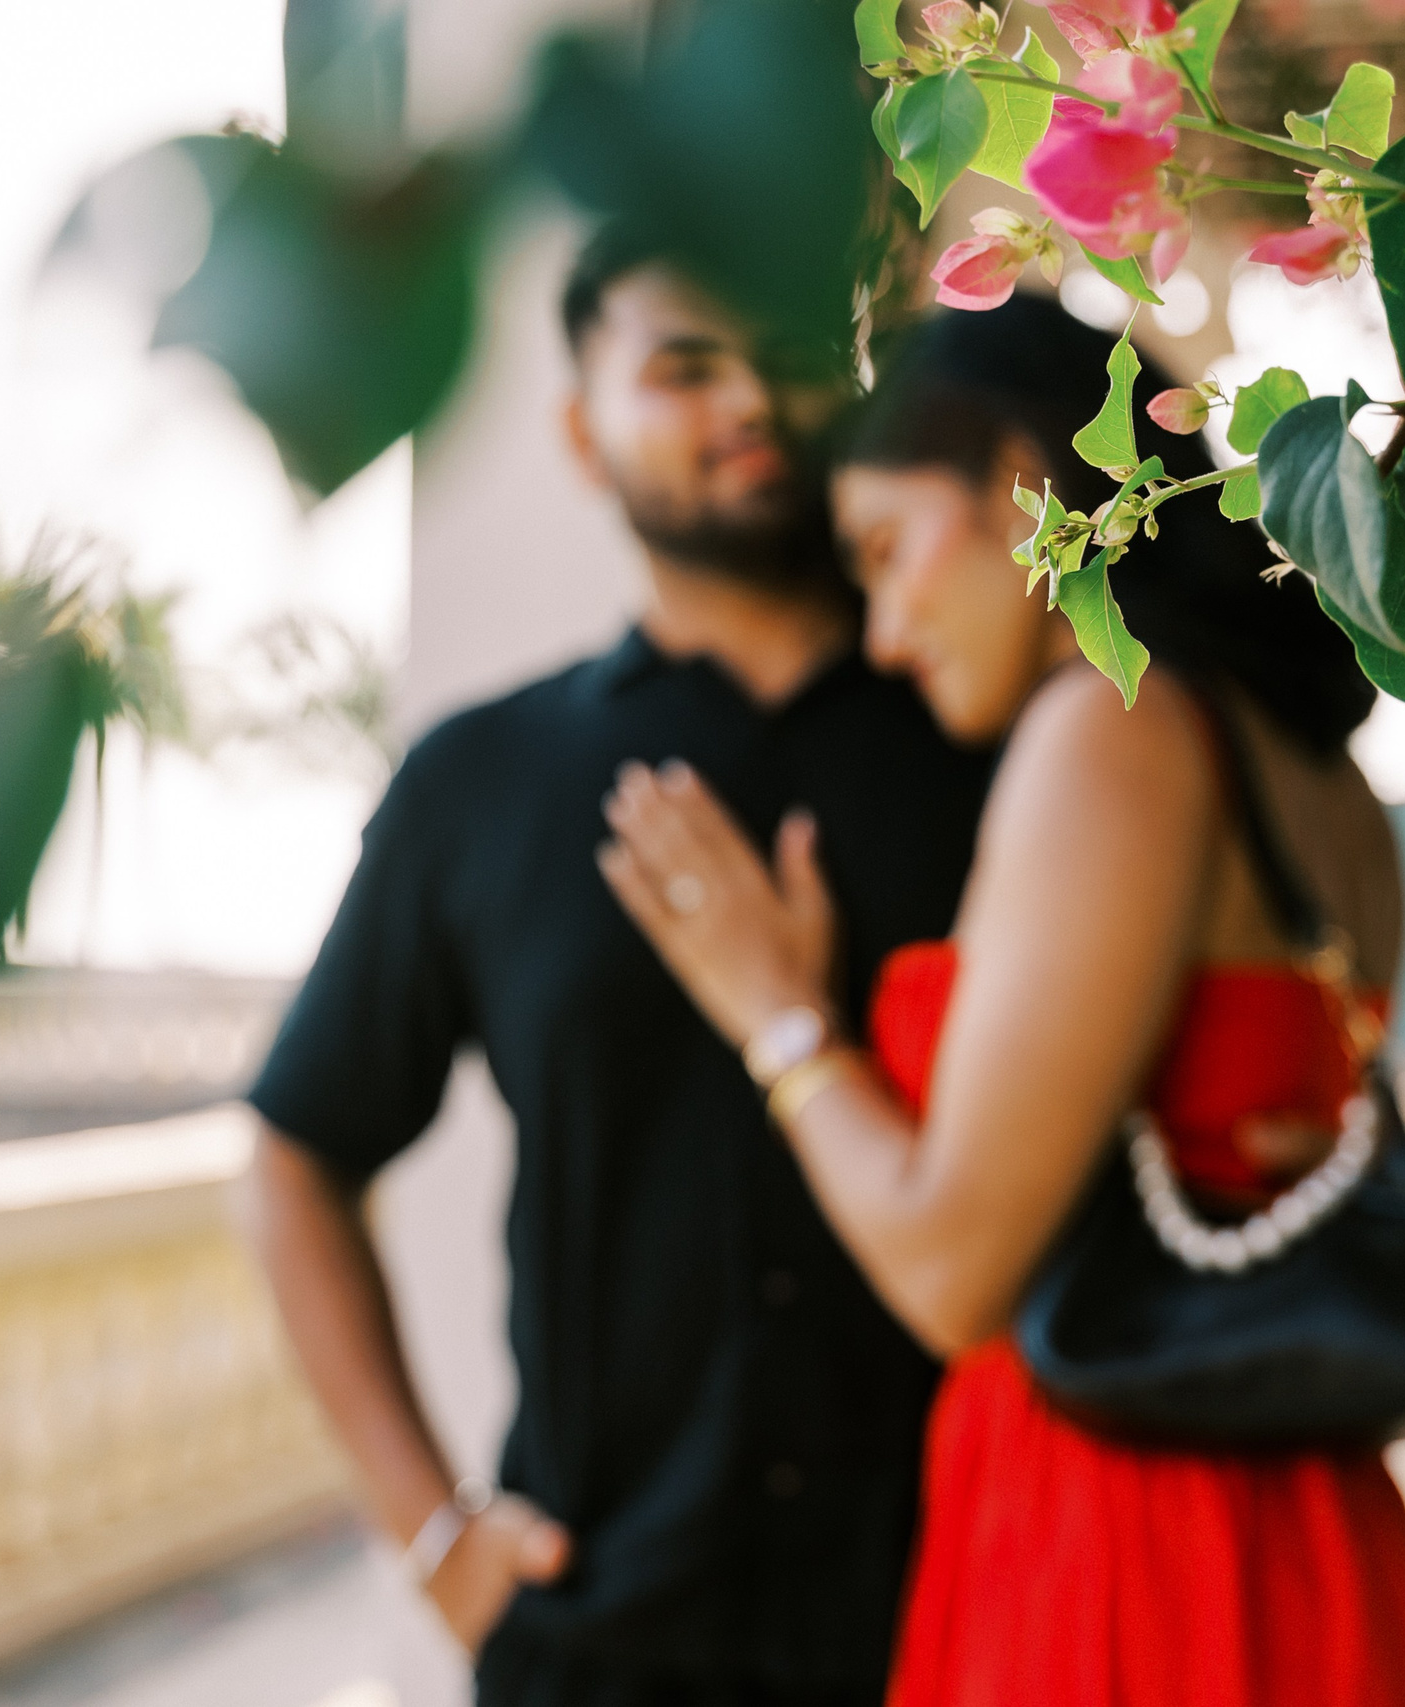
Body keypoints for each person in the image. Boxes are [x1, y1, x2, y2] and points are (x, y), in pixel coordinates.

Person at [597, 293, 1405, 1706]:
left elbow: (953, 1270)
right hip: (1308, 1531)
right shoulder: (1317, 775)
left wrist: (774, 1014)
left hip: (1129, 1544)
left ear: (1020, 478)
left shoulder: (1114, 731)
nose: (882, 633)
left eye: (887, 551)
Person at [244, 225, 993, 1707]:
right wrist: (437, 1538)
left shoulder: (998, 738)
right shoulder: (482, 783)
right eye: (683, 368)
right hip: (598, 1646)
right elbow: (296, 1154)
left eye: (788, 352)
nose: (747, 403)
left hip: (976, 1622)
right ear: (586, 436)